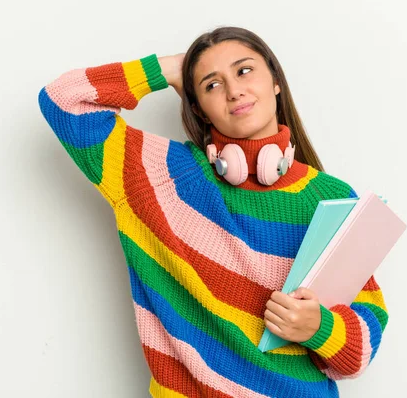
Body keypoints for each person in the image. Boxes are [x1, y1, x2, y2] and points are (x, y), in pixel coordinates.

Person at [38, 26, 388, 398]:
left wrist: (320, 328)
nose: (234, 90)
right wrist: (169, 68)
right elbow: (64, 102)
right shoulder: (159, 177)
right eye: (211, 85)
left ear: (275, 82)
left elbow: (361, 349)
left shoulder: (331, 197)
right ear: (198, 109)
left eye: (244, 70)